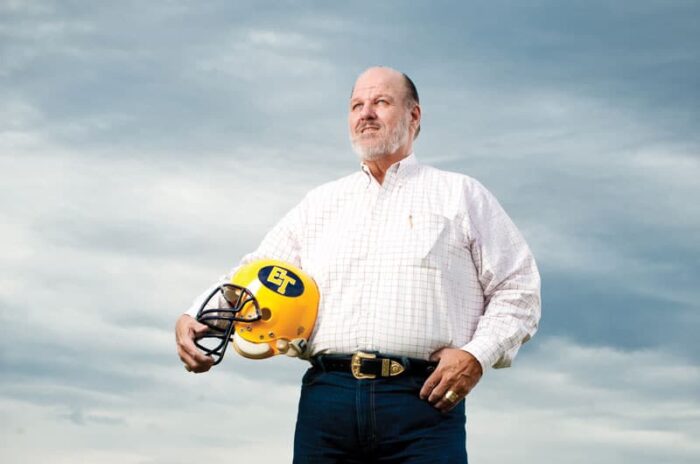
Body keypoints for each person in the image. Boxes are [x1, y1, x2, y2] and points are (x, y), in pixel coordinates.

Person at [175, 66, 541, 463]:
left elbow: (518, 287)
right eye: (356, 105)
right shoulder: (320, 204)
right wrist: (196, 316)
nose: (365, 113)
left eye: (380, 102)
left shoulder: (461, 195)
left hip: (423, 403)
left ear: (414, 116)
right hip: (327, 403)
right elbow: (256, 273)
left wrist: (476, 355)